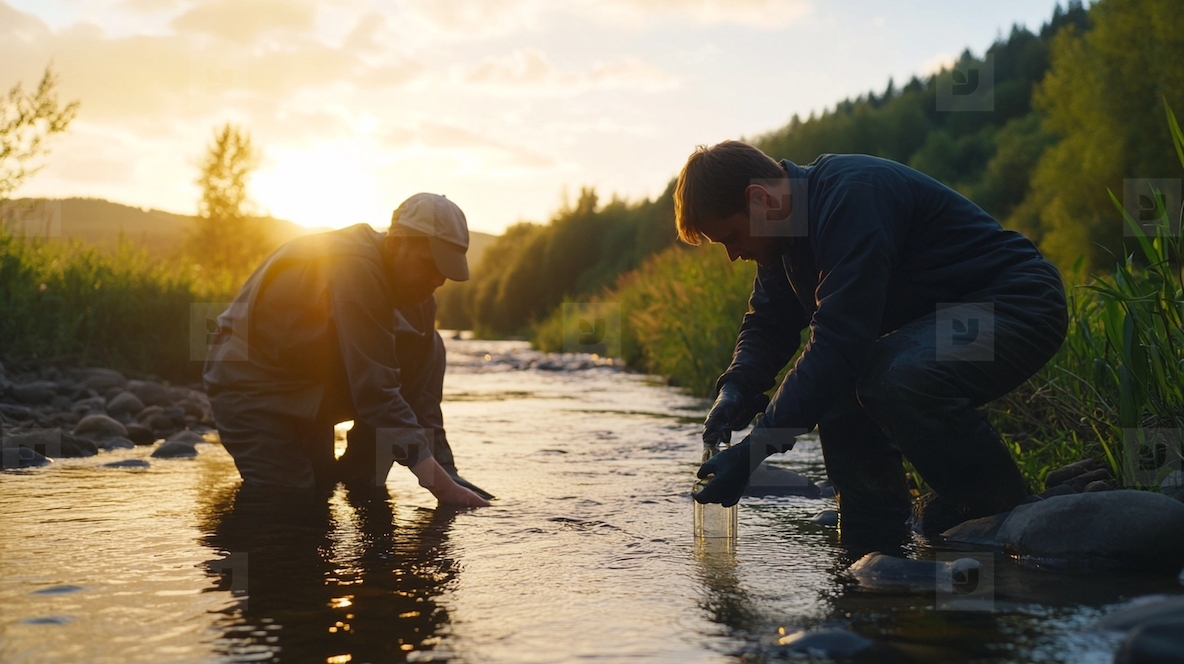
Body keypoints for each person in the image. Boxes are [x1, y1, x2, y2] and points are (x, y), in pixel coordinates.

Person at [681, 141, 1067, 541]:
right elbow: (768, 324)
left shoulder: (851, 197)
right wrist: (736, 389)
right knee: (841, 387)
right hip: (954, 319)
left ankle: (999, 507)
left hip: (1019, 305)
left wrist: (753, 453)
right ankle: (874, 535)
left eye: (729, 237)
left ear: (759, 199)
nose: (731, 255)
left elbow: (837, 344)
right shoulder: (780, 235)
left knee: (892, 376)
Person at [203, 193, 491, 507]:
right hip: (249, 383)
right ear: (396, 243)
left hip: (308, 382)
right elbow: (376, 393)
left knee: (330, 486)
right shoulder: (355, 267)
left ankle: (360, 480)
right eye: (429, 264)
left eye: (444, 270)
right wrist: (443, 489)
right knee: (292, 499)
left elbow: (422, 401)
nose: (438, 279)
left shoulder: (421, 297)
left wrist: (451, 476)